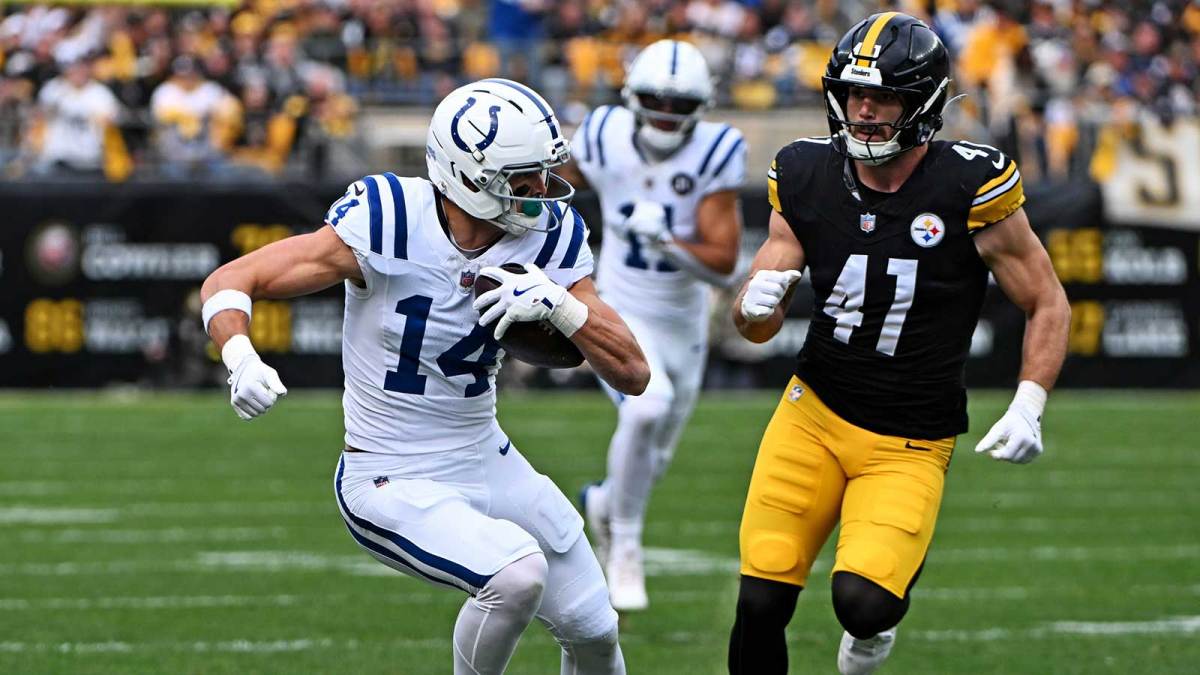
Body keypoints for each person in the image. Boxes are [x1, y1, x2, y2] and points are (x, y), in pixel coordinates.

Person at [200, 78, 648, 675]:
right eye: (523, 179)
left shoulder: (549, 236)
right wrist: (240, 356)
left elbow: (633, 371)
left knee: (595, 631)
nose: (542, 192)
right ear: (469, 176)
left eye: (544, 173)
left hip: (486, 455)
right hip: (391, 472)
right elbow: (233, 279)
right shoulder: (389, 219)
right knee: (516, 577)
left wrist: (562, 306)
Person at [727, 13, 1070, 675]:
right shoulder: (805, 173)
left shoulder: (969, 185)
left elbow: (1046, 298)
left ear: (923, 105)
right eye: (855, 94)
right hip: (813, 415)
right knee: (762, 597)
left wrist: (1030, 401)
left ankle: (873, 633)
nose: (863, 110)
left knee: (863, 601)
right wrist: (751, 306)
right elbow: (754, 324)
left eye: (882, 97)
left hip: (910, 438)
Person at [557, 39, 745, 611]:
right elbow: (545, 193)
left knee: (654, 455)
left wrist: (665, 238)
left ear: (704, 104)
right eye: (655, 98)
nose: (665, 111)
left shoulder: (716, 150)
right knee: (646, 407)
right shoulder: (603, 133)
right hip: (615, 302)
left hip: (682, 320)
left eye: (678, 102)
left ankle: (606, 504)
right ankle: (626, 549)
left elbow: (724, 264)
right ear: (631, 95)